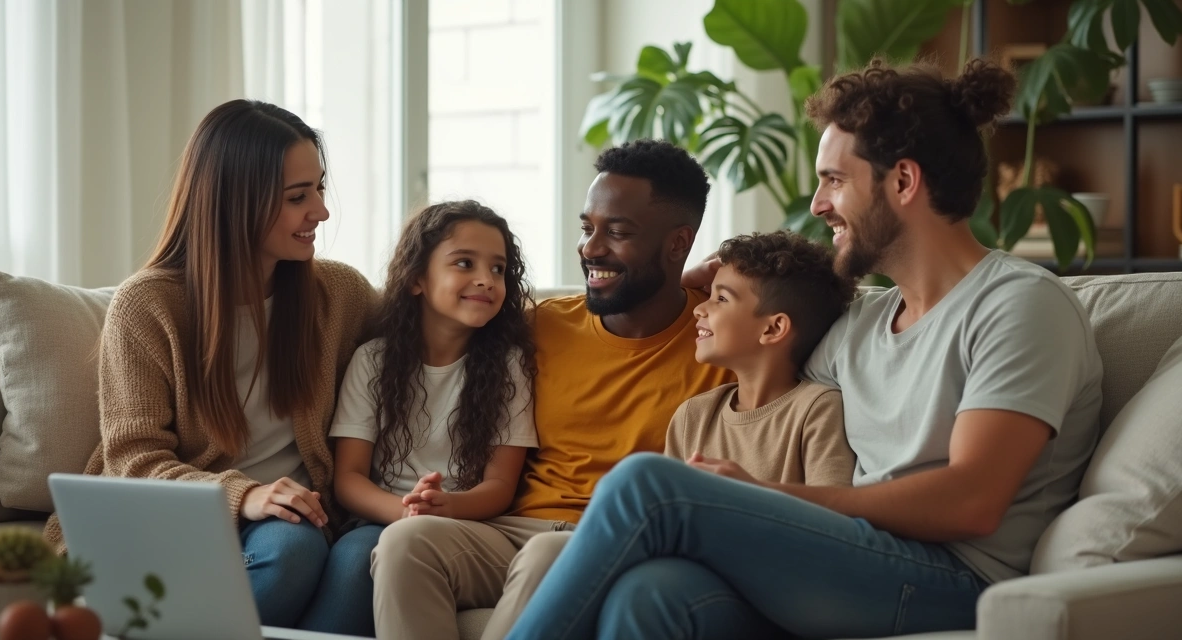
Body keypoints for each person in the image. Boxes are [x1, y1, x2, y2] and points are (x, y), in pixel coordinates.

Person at [506, 58, 1104, 639]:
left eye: (834, 181)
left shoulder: (1018, 305)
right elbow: (763, 325)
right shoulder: (860, 320)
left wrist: (768, 495)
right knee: (653, 594)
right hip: (857, 560)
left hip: (955, 576)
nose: (817, 205)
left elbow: (972, 502)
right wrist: (700, 280)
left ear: (902, 181)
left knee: (646, 484)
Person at [370, 139, 734, 639]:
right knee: (404, 543)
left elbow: (796, 297)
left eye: (618, 232)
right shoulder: (536, 326)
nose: (590, 249)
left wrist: (725, 270)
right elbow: (434, 316)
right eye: (587, 228)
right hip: (513, 530)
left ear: (677, 244)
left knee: (545, 556)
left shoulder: (721, 338)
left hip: (622, 541)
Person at [43, 99, 380, 634]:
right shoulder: (149, 307)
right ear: (235, 202)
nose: (321, 211)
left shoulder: (339, 295)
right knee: (290, 546)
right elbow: (134, 461)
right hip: (190, 528)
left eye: (319, 188)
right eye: (298, 197)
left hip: (318, 521)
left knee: (372, 552)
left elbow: (419, 350)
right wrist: (245, 496)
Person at [328, 200, 539, 574]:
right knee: (351, 560)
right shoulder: (371, 360)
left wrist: (447, 507)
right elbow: (349, 476)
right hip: (382, 518)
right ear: (416, 279)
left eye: (498, 268)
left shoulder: (509, 366)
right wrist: (407, 509)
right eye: (464, 263)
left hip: (464, 526)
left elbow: (501, 484)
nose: (486, 279)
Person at [667, 230, 857, 488]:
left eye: (721, 298)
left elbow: (832, 515)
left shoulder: (818, 410)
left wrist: (745, 496)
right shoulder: (693, 417)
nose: (699, 309)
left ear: (773, 329)